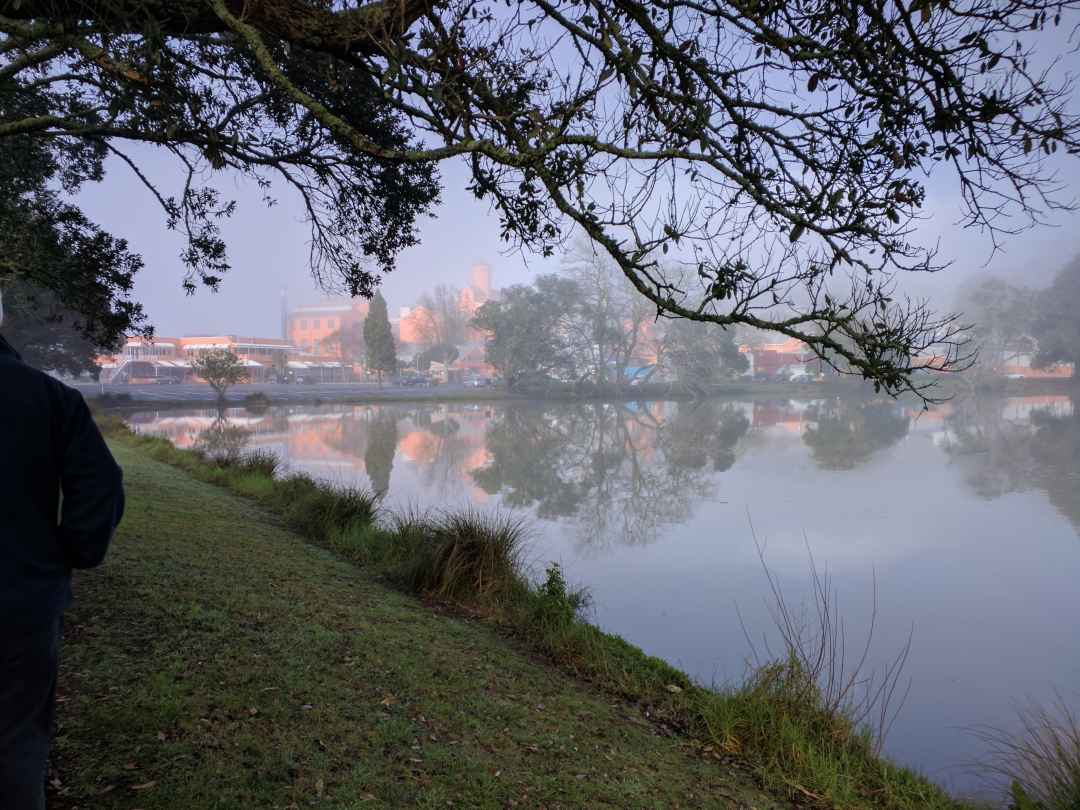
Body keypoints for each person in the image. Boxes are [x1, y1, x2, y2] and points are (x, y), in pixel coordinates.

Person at [0, 322, 125, 809]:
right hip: (20, 599)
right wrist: (72, 553)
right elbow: (102, 485)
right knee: (15, 739)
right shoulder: (48, 397)